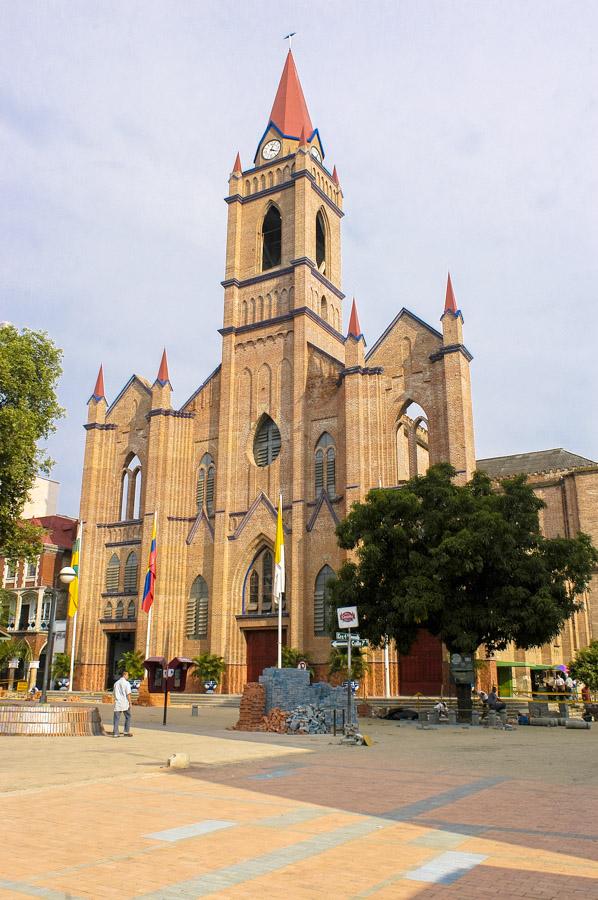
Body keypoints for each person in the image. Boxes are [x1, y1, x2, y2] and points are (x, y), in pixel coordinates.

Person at [113, 670, 132, 737]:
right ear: (124, 675)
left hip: (117, 702)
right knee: (128, 716)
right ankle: (126, 731)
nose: (128, 676)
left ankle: (115, 733)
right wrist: (130, 702)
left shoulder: (116, 683)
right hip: (125, 703)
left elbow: (114, 693)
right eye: (127, 675)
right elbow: (128, 694)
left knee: (116, 718)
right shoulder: (127, 683)